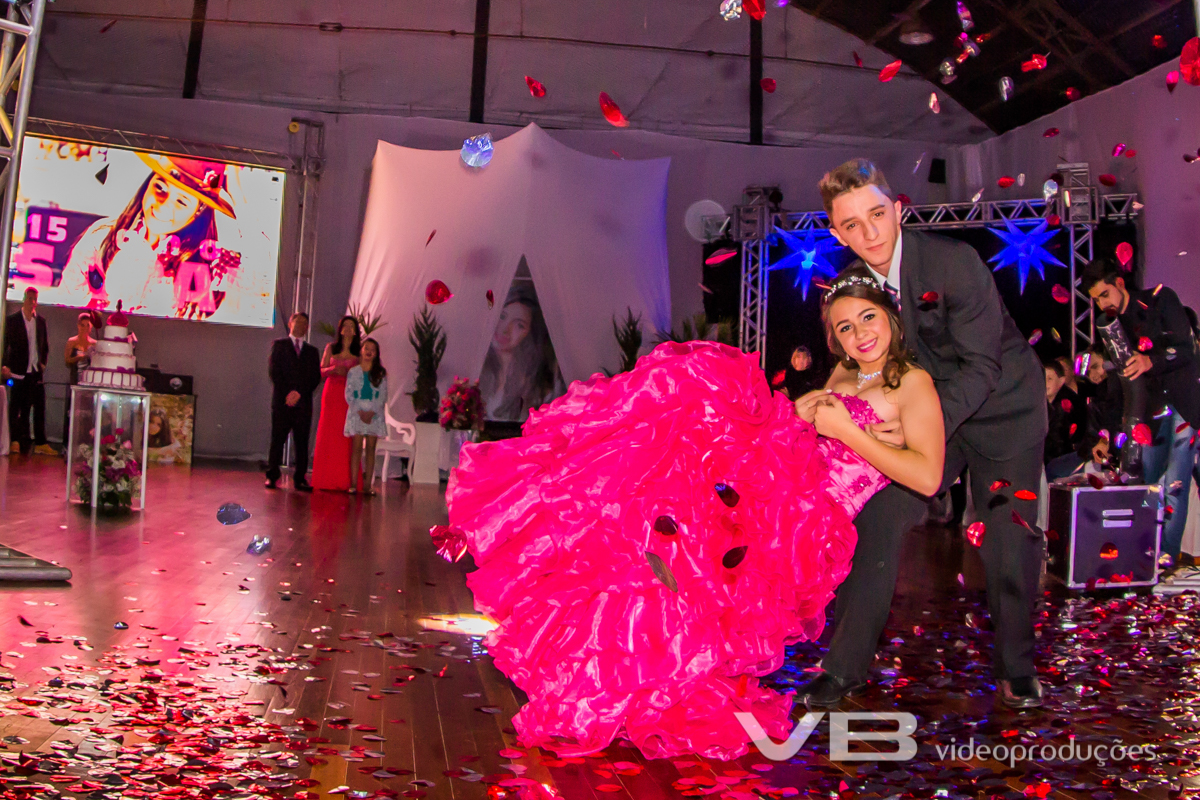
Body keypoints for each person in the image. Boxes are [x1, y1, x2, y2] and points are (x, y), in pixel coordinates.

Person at [441, 270, 944, 760]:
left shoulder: (913, 383)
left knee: (699, 576)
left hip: (806, 521)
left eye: (868, 318)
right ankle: (628, 682)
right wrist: (802, 414)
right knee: (662, 507)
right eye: (845, 327)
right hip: (779, 487)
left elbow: (927, 477)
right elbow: (812, 440)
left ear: (892, 318)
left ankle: (655, 683)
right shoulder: (846, 373)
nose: (859, 334)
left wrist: (847, 431)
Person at [797, 159, 1048, 711]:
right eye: (852, 224)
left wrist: (916, 423)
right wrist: (822, 399)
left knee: (1007, 536)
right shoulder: (855, 283)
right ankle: (842, 668)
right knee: (878, 520)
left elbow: (982, 367)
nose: (870, 233)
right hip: (933, 416)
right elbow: (853, 357)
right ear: (837, 233)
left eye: (877, 215)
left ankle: (1017, 666)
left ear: (898, 211)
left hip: (1004, 412)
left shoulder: (953, 263)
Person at [1082, 260, 1200, 563]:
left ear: (1120, 284)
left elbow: (1186, 350)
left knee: (1176, 484)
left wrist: (1151, 360)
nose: (1102, 304)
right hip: (1150, 414)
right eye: (1096, 299)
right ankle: (1142, 555)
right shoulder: (1112, 329)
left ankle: (1166, 559)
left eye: (1105, 294)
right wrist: (1106, 435)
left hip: (1183, 404)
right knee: (1143, 481)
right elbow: (1119, 387)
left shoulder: (1161, 299)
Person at [59, 154, 241, 319]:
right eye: (160, 187)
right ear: (147, 185)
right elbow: (67, 304)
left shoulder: (212, 269)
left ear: (198, 212)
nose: (163, 205)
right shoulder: (101, 236)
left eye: (181, 201)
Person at [479, 284, 565, 422]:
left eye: (519, 325)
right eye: (502, 316)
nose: (505, 329)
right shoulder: (476, 367)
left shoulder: (539, 381)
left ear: (530, 333)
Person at [266, 312, 321, 491]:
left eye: (304, 323)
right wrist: (288, 393)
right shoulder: (279, 345)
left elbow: (315, 377)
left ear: (307, 328)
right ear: (290, 324)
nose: (300, 325)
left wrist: (299, 393)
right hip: (282, 402)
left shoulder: (312, 351)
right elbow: (274, 372)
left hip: (303, 404)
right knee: (277, 440)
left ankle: (300, 478)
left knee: (302, 442)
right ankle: (272, 476)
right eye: (297, 322)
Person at [311, 315, 361, 491]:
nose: (347, 329)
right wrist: (332, 369)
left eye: (351, 326)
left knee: (346, 436)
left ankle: (345, 480)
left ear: (355, 331)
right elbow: (320, 370)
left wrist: (351, 373)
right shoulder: (331, 348)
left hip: (349, 396)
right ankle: (326, 478)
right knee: (329, 432)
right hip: (332, 392)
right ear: (340, 329)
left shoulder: (359, 352)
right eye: (345, 326)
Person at [2, 288, 53, 456]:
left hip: (35, 370)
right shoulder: (13, 320)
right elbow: (5, 344)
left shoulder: (41, 321)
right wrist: (4, 365)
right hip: (18, 370)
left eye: (35, 299)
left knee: (39, 406)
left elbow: (44, 345)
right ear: (24, 299)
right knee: (16, 406)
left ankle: (40, 442)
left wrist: (42, 363)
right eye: (30, 298)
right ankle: (14, 440)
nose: (32, 302)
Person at [344, 338, 388, 495]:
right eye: (366, 348)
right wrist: (360, 411)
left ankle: (368, 485)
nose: (369, 351)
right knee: (356, 449)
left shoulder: (380, 373)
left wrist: (371, 412)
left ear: (376, 354)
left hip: (374, 415)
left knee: (370, 449)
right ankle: (353, 484)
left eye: (372, 349)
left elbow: (382, 395)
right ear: (361, 350)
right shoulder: (353, 372)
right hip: (357, 414)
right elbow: (349, 394)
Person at [1043, 358, 1087, 480]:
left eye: (1050, 379)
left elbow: (1058, 441)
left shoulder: (1068, 404)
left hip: (1065, 458)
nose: (1045, 382)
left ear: (1061, 381)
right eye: (1042, 378)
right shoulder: (1039, 403)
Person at [62, 311, 97, 445]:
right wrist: (79, 357)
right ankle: (68, 444)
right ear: (78, 325)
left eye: (87, 325)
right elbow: (67, 361)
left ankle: (85, 443)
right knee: (72, 413)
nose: (85, 328)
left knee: (88, 414)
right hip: (75, 381)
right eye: (82, 325)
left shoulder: (94, 344)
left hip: (89, 384)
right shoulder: (72, 341)